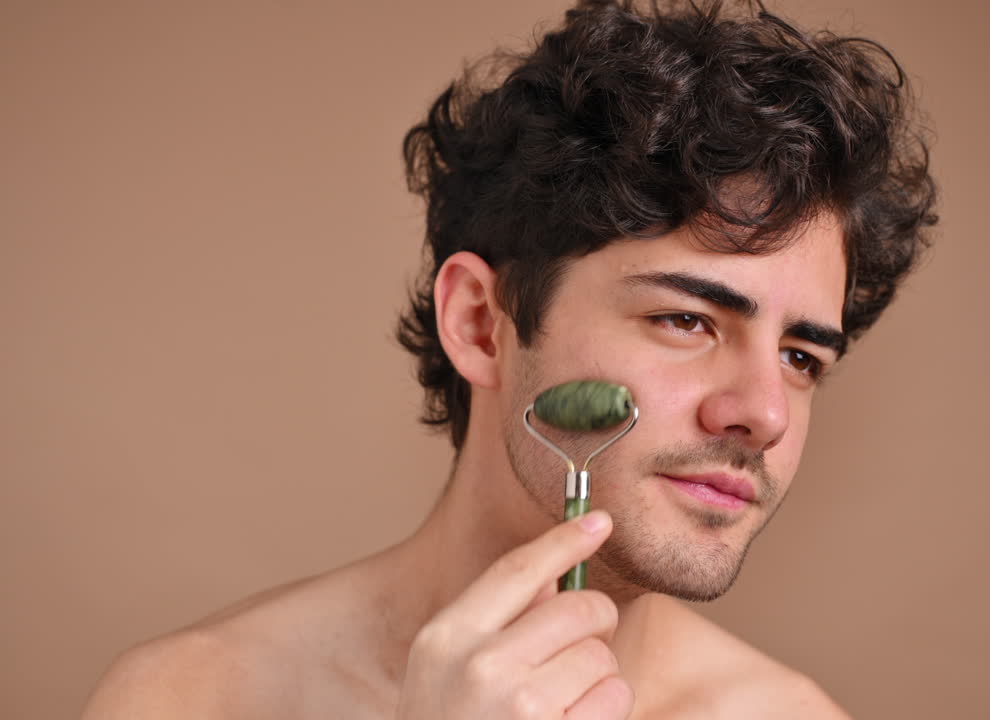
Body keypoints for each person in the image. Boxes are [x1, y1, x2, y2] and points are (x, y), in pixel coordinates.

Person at [83, 0, 937, 717]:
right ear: (480, 324)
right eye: (685, 320)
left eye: (801, 357)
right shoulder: (188, 699)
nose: (765, 412)